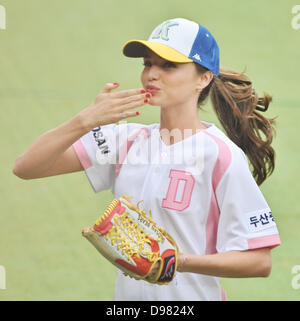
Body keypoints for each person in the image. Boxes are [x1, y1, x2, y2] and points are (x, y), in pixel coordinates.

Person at [13, 18, 280, 301]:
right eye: (148, 64)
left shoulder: (221, 155)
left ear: (203, 78)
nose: (152, 74)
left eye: (169, 66)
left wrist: (177, 261)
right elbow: (27, 167)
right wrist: (84, 120)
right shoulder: (126, 141)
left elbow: (259, 262)